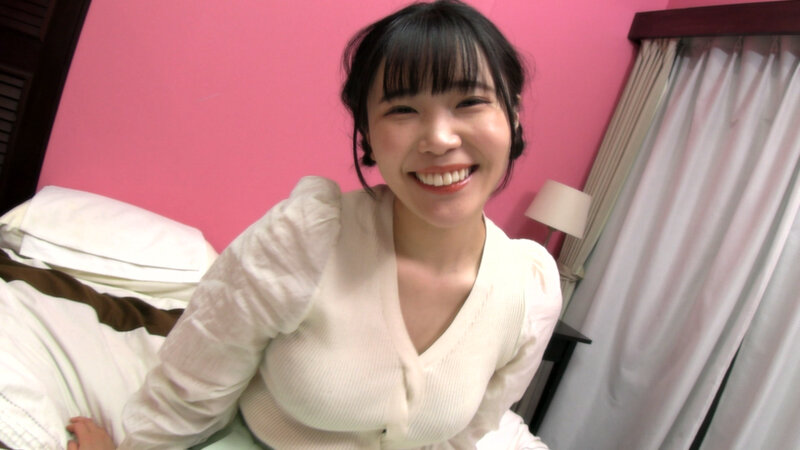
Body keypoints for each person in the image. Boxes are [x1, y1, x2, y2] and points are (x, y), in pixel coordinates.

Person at [68, 1, 561, 448]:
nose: (439, 138)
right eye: (402, 110)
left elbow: (463, 438)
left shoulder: (529, 292)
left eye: (470, 102)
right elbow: (191, 390)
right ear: (368, 133)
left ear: (513, 114)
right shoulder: (307, 239)